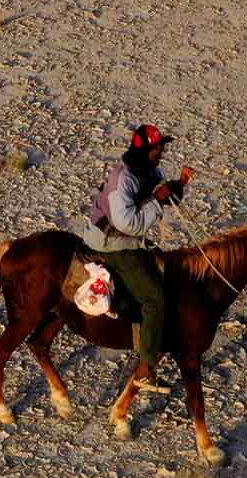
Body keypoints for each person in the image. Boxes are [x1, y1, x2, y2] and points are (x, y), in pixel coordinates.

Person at [81, 123, 192, 383]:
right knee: (154, 298)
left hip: (130, 240)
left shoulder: (150, 169)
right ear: (144, 150)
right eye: (157, 148)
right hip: (112, 244)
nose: (161, 152)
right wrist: (157, 200)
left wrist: (179, 185)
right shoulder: (123, 179)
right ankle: (145, 368)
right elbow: (127, 223)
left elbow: (160, 193)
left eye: (162, 147)